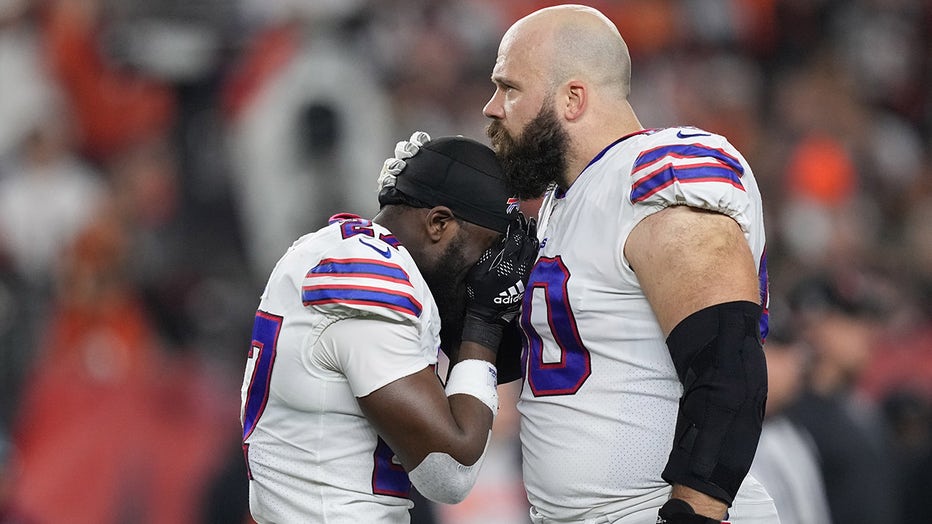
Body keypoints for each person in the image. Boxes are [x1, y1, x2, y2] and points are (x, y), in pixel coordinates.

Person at [481, 5, 777, 523]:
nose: (492, 107)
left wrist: (694, 515)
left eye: (509, 88)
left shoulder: (655, 175)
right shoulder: (564, 199)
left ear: (573, 98)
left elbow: (728, 369)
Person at [239, 132, 539, 523]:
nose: (488, 276)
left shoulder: (332, 249)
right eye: (486, 254)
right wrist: (483, 321)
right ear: (439, 224)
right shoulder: (368, 276)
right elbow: (449, 473)